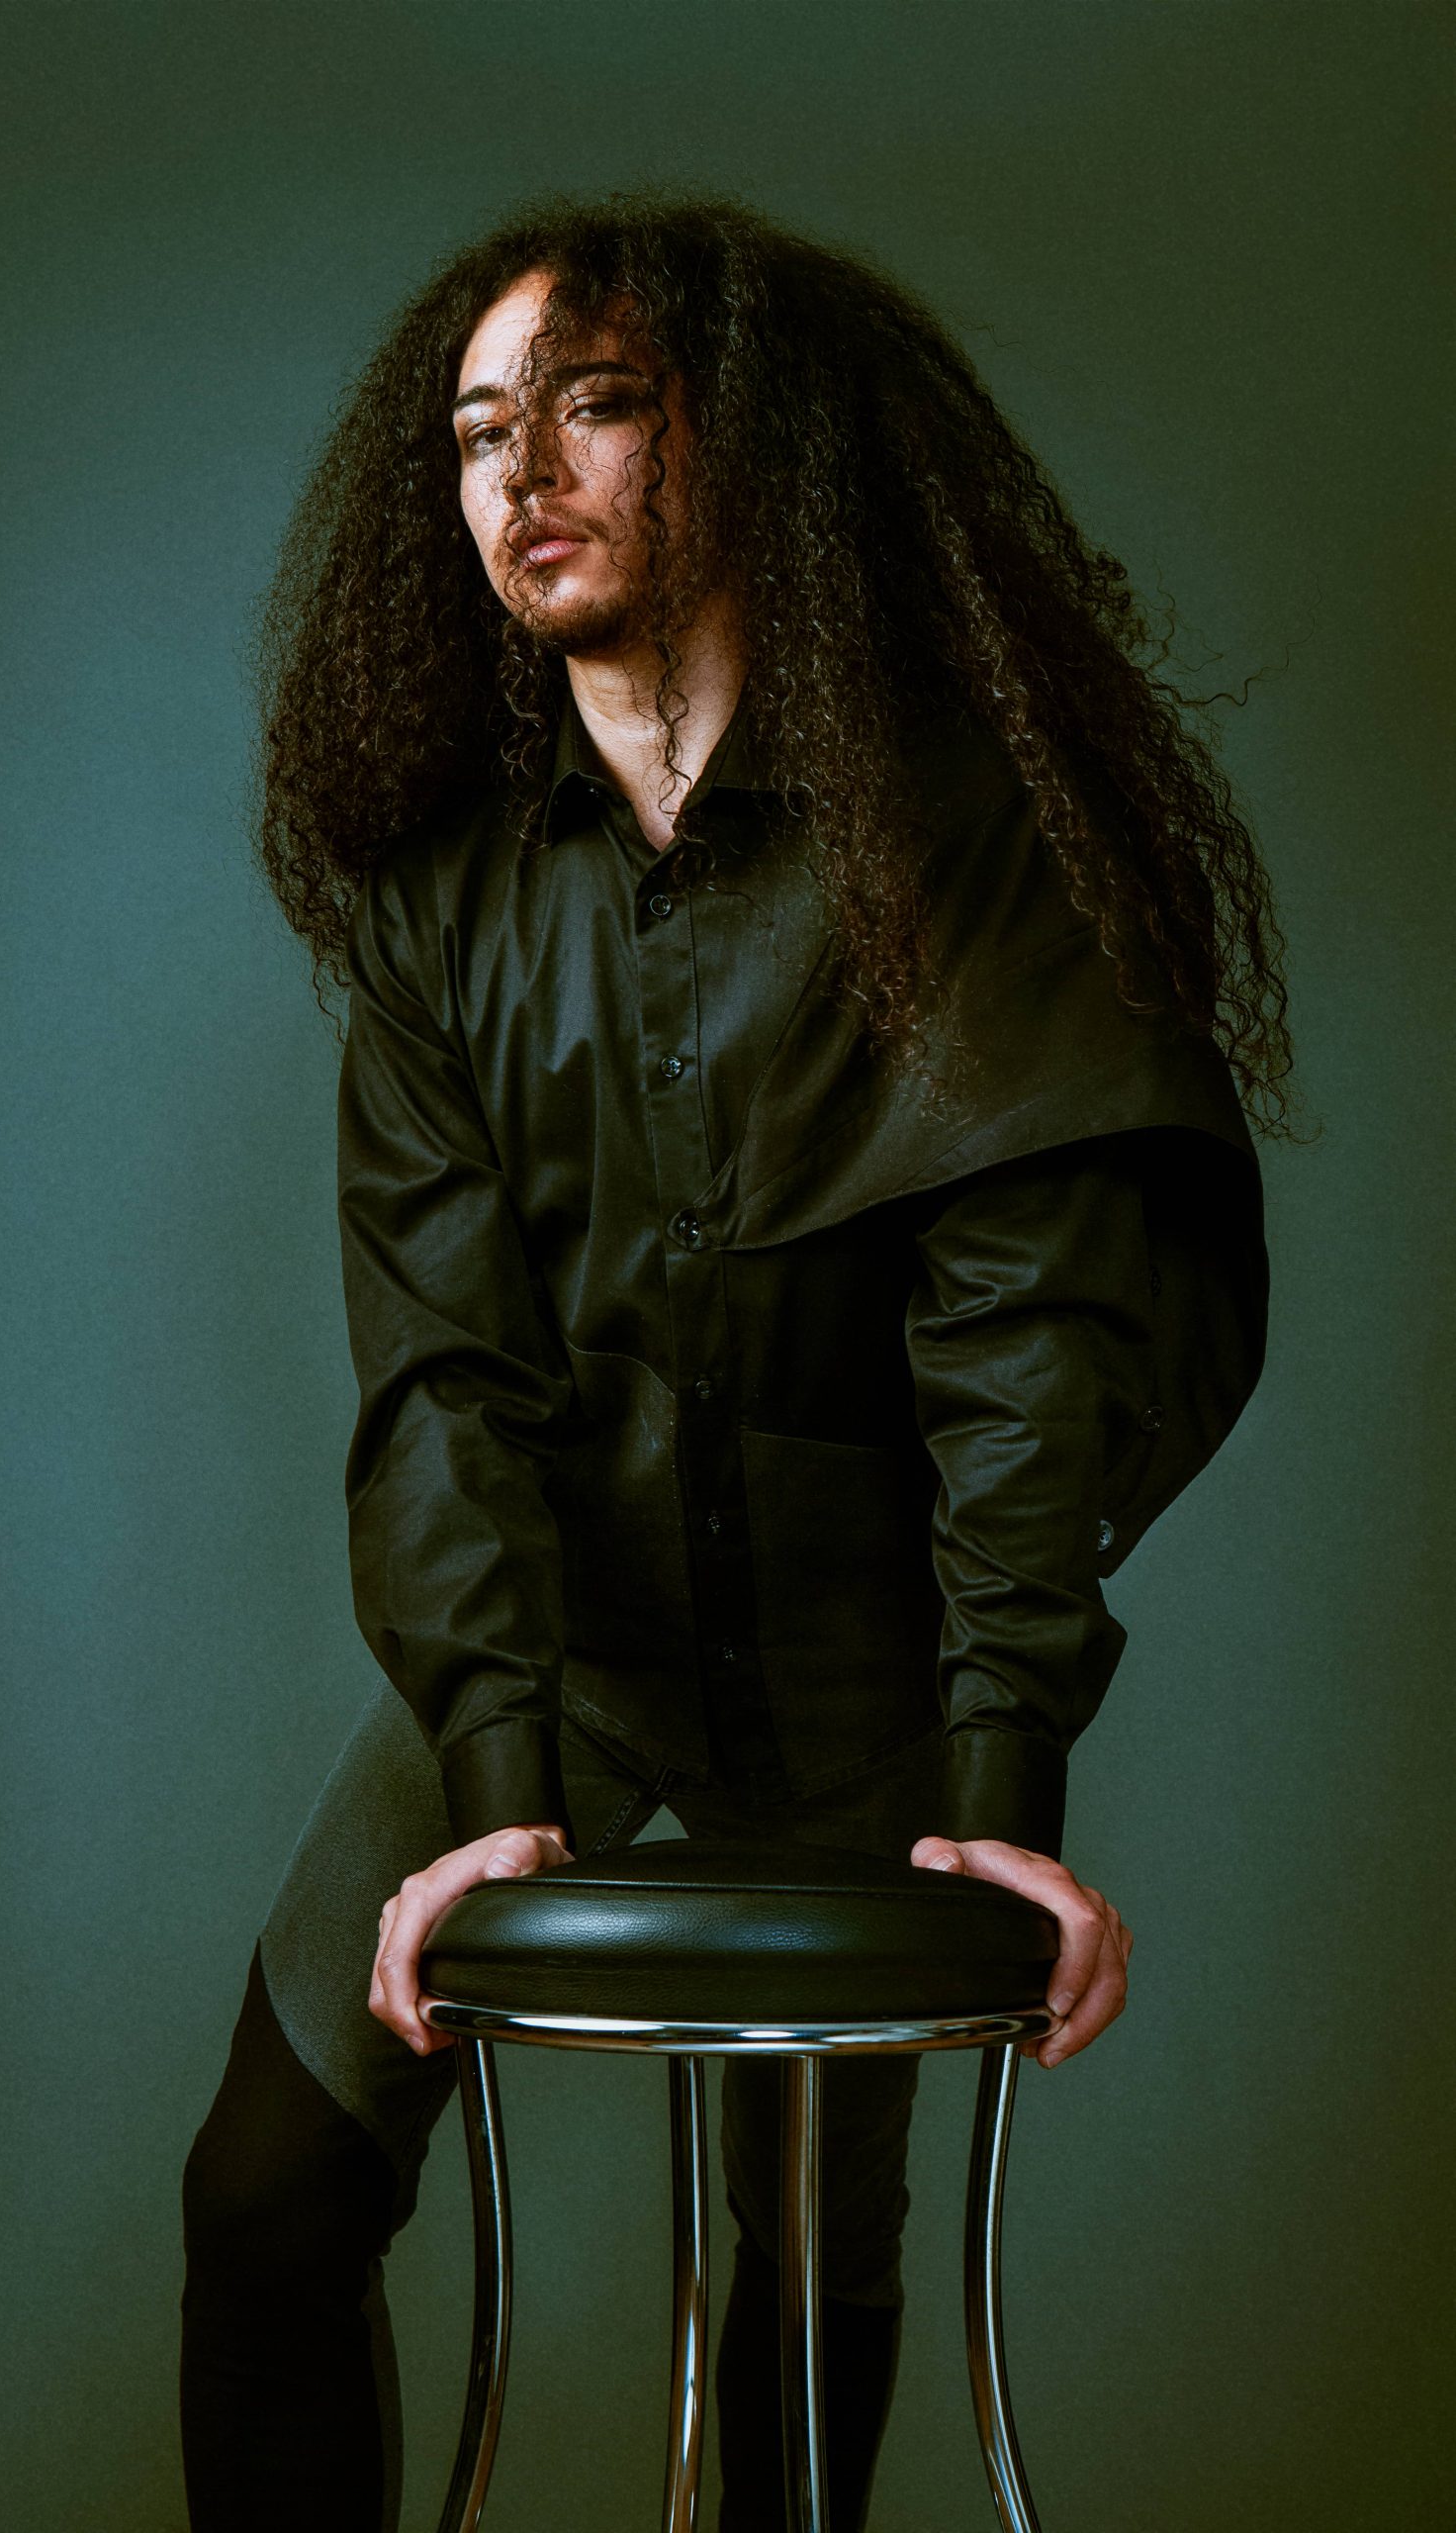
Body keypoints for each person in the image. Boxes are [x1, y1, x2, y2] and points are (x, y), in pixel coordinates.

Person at [178, 196, 1287, 2532]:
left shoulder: (963, 839)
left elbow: (1028, 1357)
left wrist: (998, 1767)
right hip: (566, 1630)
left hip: (870, 1632)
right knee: (264, 2196)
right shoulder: (433, 896)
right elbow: (439, 1369)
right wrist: (489, 1761)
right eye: (477, 430)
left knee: (798, 2286)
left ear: (747, 444)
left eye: (591, 402)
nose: (519, 475)